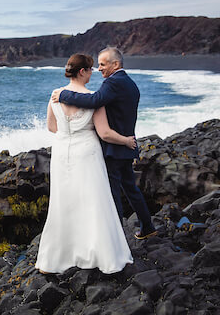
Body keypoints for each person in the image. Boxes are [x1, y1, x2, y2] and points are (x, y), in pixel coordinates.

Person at [35, 53, 134, 274]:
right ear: (82, 72)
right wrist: (126, 140)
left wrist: (68, 134)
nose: (93, 72)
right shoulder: (94, 98)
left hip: (62, 152)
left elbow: (52, 127)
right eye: (90, 69)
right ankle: (99, 254)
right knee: (93, 201)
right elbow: (105, 133)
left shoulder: (55, 96)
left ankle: (55, 259)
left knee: (63, 202)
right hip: (87, 152)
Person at [52, 47, 157, 240]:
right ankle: (148, 226)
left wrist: (63, 95)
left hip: (114, 148)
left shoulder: (113, 82)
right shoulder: (130, 83)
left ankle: (115, 236)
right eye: (97, 65)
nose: (99, 68)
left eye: (102, 64)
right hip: (125, 146)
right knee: (131, 189)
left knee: (112, 194)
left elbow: (94, 100)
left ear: (115, 64)